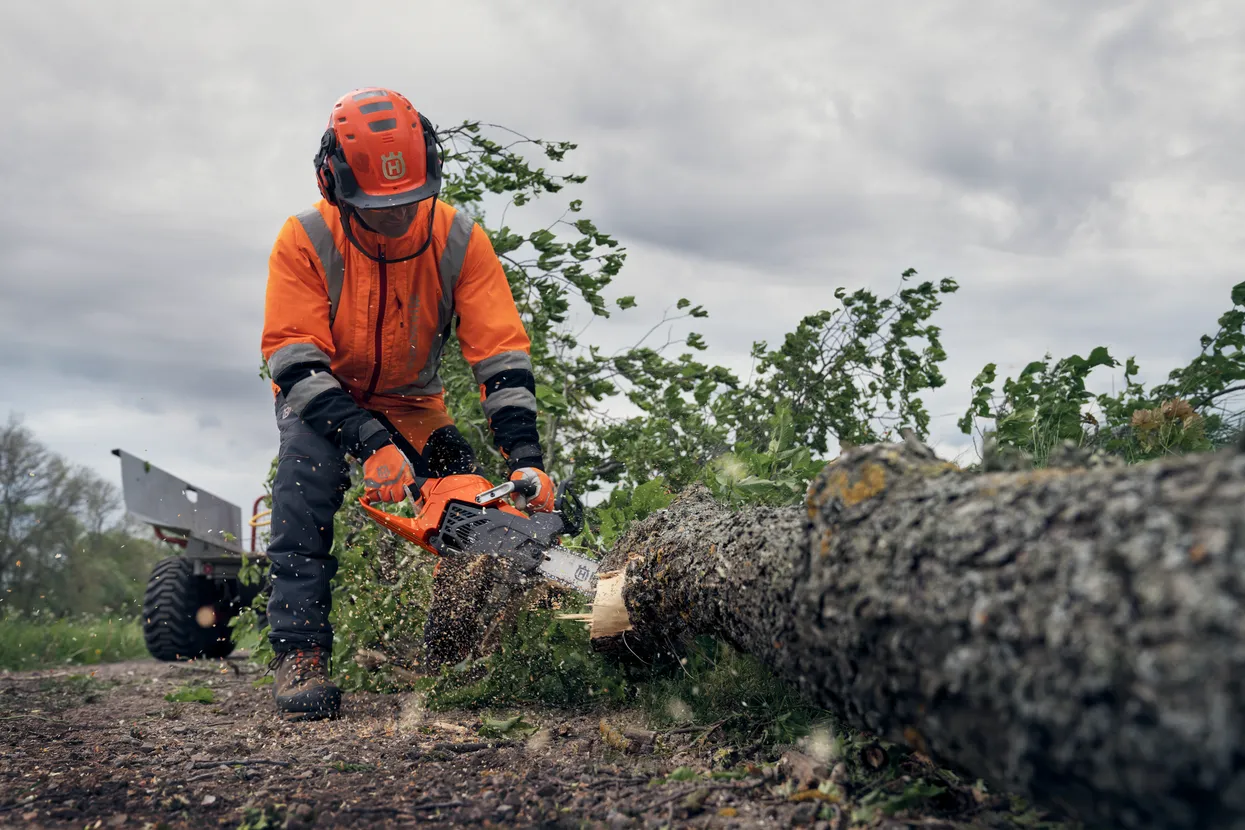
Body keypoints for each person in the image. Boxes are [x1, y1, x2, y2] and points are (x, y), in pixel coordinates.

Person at [259, 87, 554, 721]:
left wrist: (526, 457)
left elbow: (500, 356)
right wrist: (370, 443)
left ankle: (461, 652)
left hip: (413, 402)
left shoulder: (458, 241)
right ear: (333, 182)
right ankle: (299, 653)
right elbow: (294, 362)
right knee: (304, 484)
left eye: (408, 203)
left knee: (468, 501)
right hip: (325, 398)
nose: (396, 217)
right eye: (380, 206)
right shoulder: (304, 238)